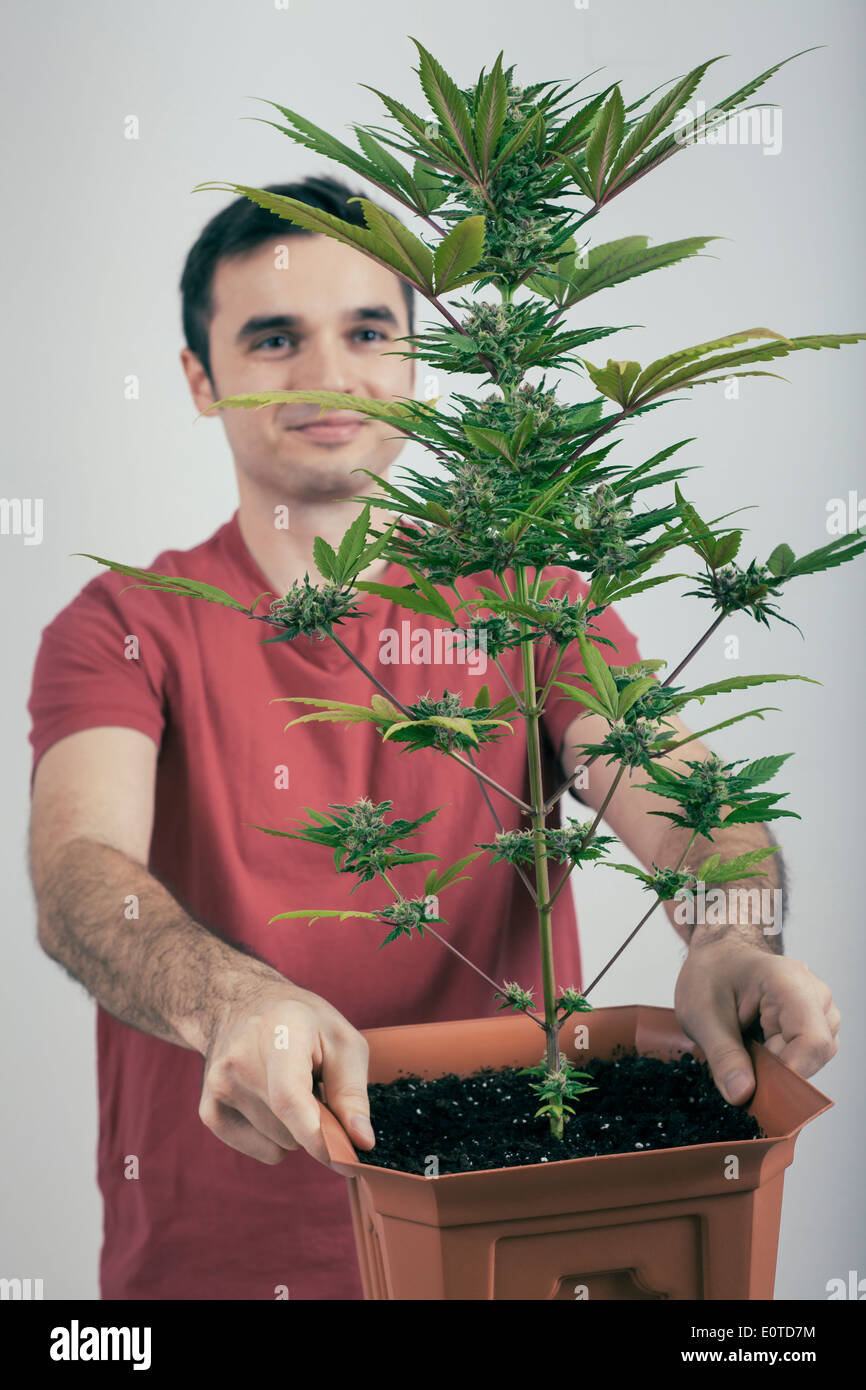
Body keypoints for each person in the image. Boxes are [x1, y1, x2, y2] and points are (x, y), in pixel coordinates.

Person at [26, 176, 840, 1301]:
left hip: (523, 1244)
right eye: (272, 338)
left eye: (366, 331)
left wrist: (730, 936)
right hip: (216, 1261)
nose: (327, 372)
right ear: (199, 380)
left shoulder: (527, 596)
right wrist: (231, 1000)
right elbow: (79, 872)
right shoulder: (124, 623)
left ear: (415, 361)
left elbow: (685, 804)